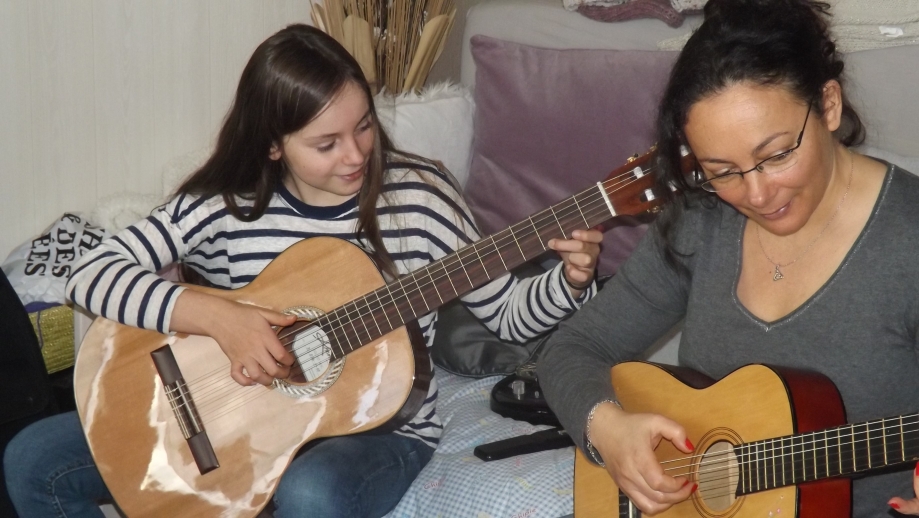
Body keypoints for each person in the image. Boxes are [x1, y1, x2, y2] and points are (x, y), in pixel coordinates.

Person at [3, 24, 603, 518]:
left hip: (377, 432)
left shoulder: (418, 199)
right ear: (272, 145)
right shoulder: (225, 203)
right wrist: (220, 319)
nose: (357, 154)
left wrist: (569, 284)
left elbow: (508, 316)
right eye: (326, 142)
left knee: (310, 495)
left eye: (365, 125)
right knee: (33, 460)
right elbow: (89, 273)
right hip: (229, 418)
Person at [537, 0, 919, 516]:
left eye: (777, 154)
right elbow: (573, 348)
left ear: (829, 105)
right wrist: (605, 426)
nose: (757, 194)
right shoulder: (702, 222)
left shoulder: (908, 242)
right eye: (722, 169)